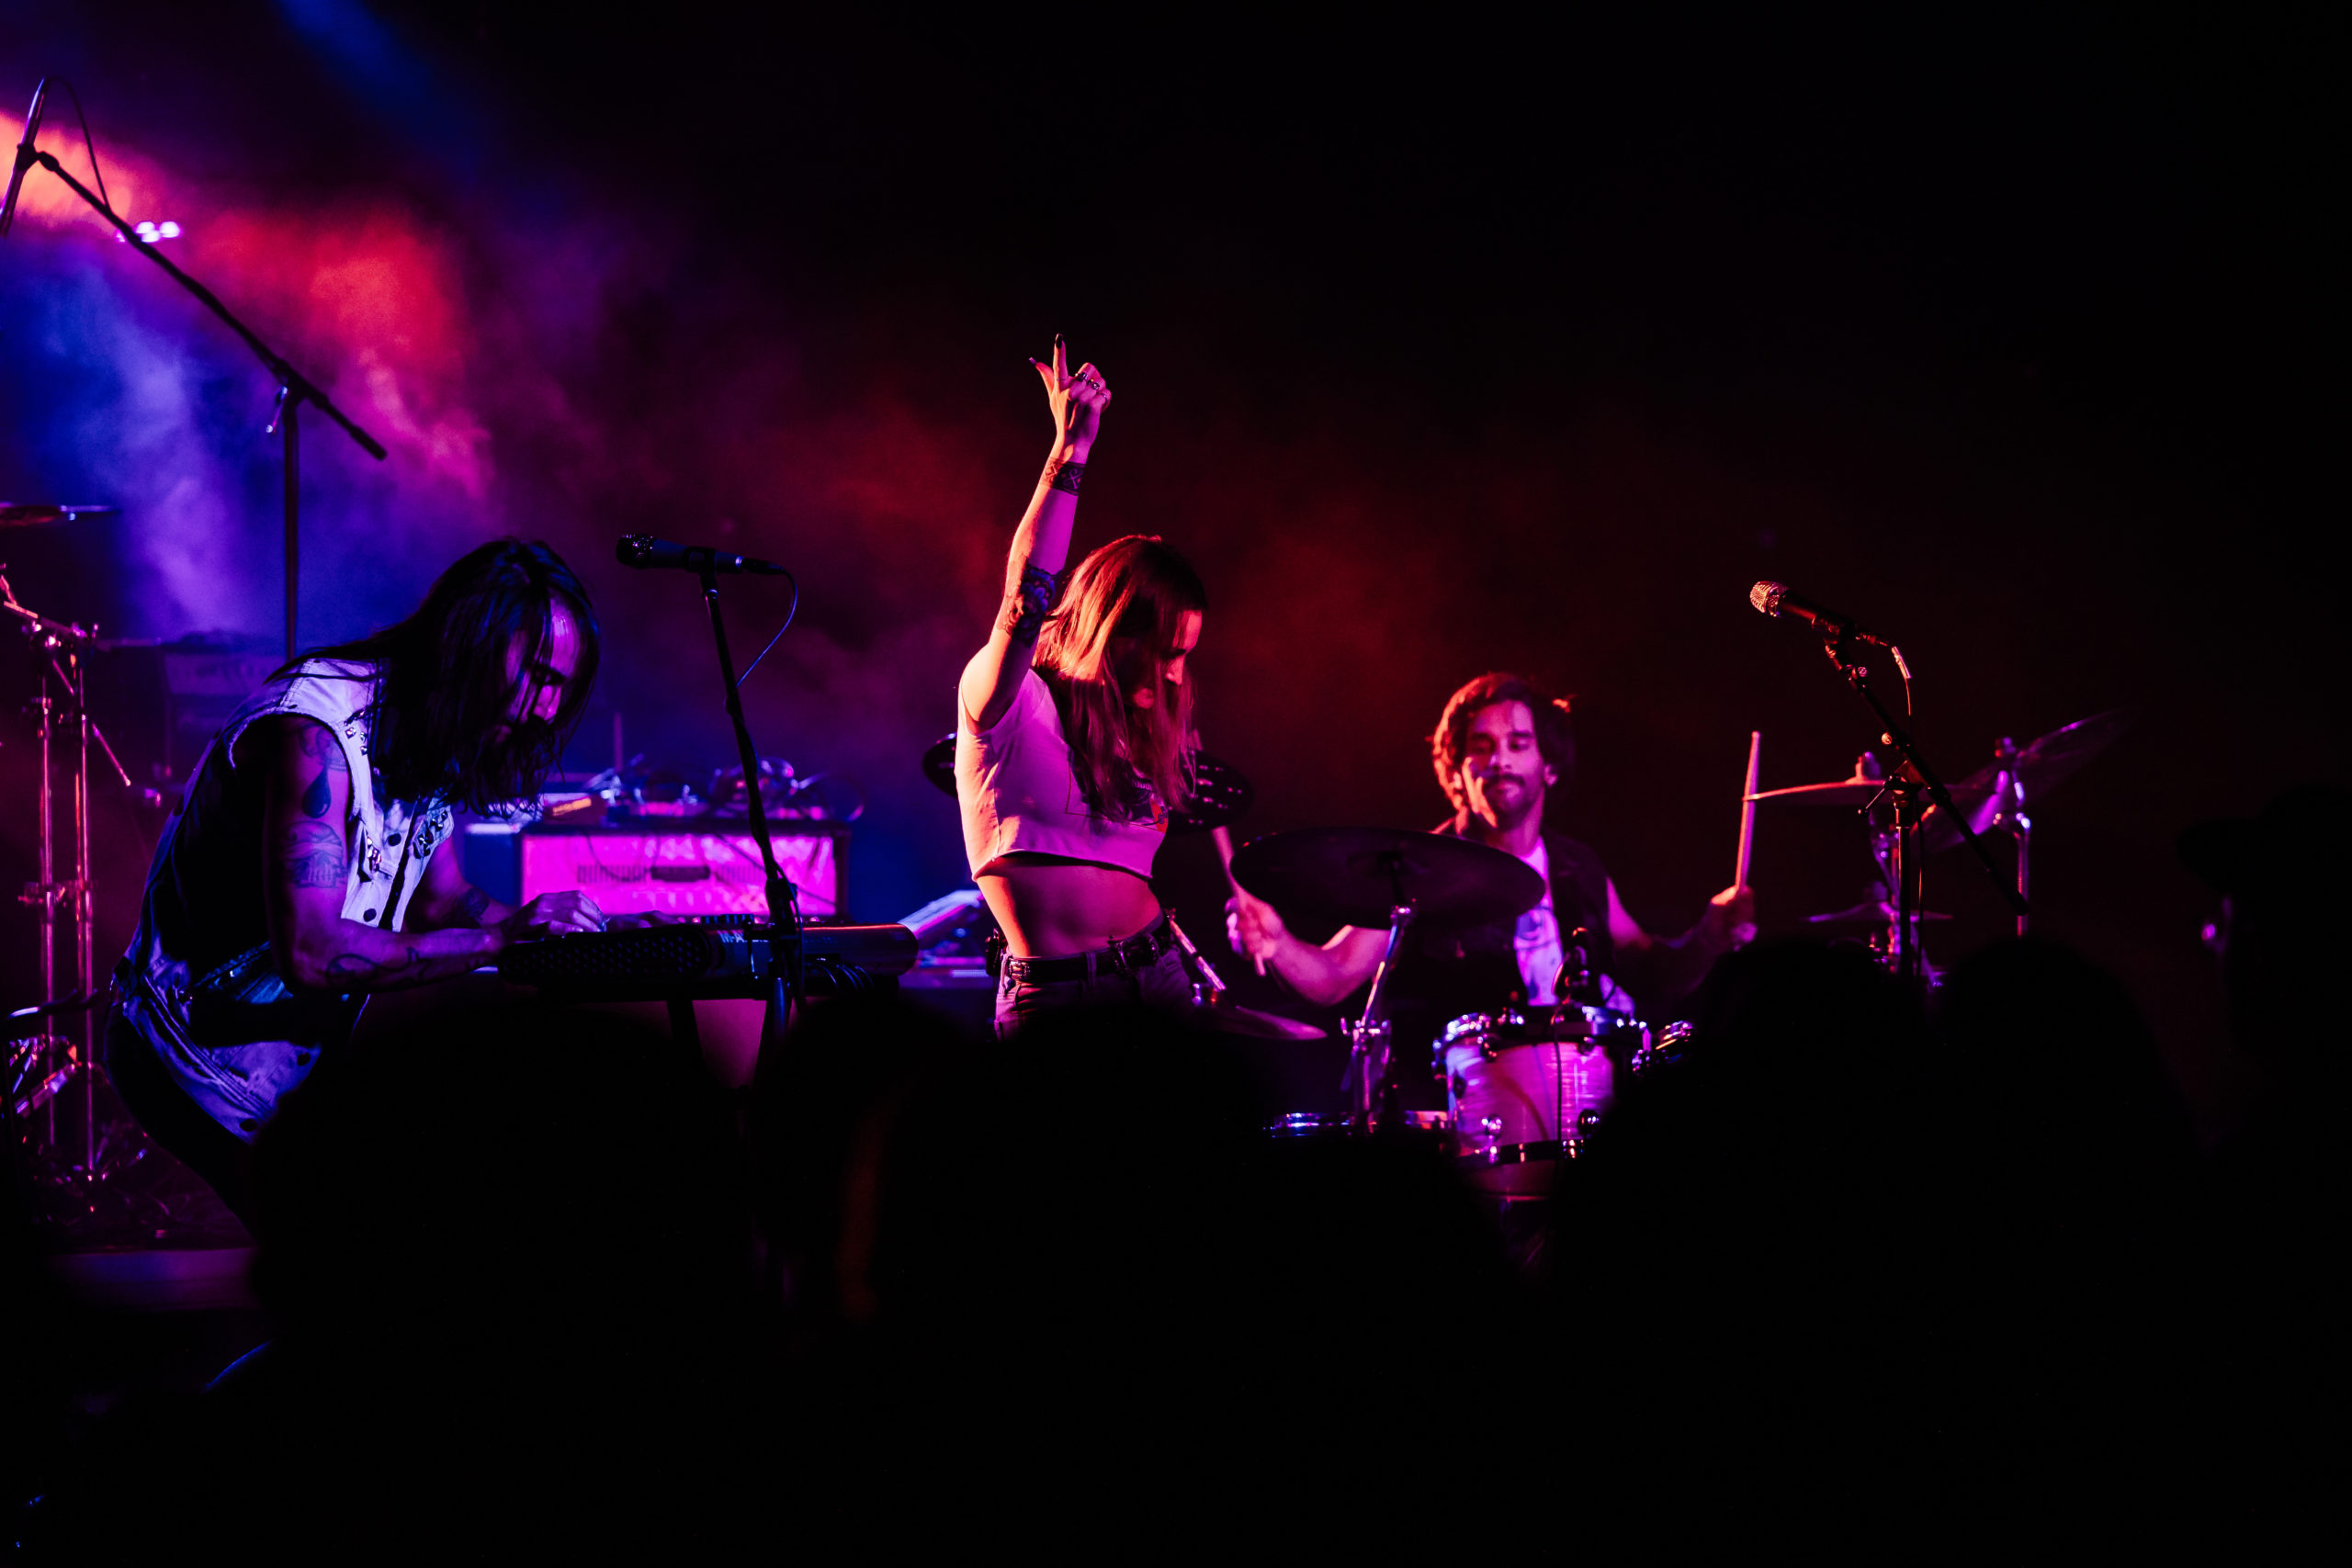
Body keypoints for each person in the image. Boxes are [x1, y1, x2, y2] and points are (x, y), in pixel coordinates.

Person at [106, 539, 637, 1221]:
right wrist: (501, 942)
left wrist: (577, 938)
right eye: (538, 675)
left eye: (560, 688)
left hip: (281, 1071)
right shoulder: (316, 735)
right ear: (475, 638)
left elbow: (441, 899)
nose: (545, 709)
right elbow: (312, 952)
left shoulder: (431, 732)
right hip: (187, 1057)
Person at [1228, 671, 1754, 1038]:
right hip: (1471, 1121)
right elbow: (1335, 975)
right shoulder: (1417, 867)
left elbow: (1654, 974)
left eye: (1518, 744)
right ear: (1458, 771)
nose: (1499, 760)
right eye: (1480, 747)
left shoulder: (1578, 868)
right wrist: (1279, 944)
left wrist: (1708, 936)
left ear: (1549, 767)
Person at [955, 336, 1209, 1035]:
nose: (1174, 674)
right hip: (1057, 1001)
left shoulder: (1134, 727)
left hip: (1158, 980)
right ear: (1112, 630)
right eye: (1163, 653)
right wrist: (1068, 454)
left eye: (1185, 655)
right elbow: (1024, 601)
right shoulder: (1010, 702)